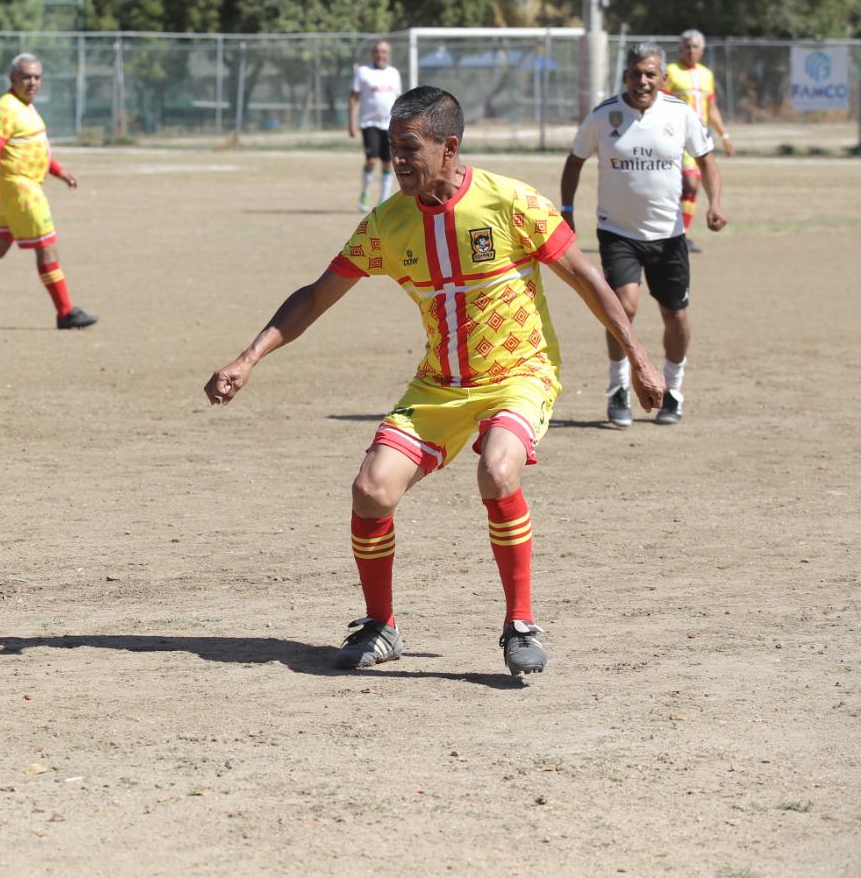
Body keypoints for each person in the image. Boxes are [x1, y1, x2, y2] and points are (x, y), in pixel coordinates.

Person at [204, 86, 663, 676]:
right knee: (371, 489)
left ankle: (520, 623)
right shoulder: (388, 225)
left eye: (409, 149)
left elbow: (589, 281)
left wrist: (640, 360)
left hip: (519, 374)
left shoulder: (512, 203)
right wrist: (248, 358)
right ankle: (380, 625)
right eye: (393, 149)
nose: (397, 161)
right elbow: (317, 295)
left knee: (498, 470)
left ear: (449, 149)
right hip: (439, 384)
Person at [561, 42, 726, 428]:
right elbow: (574, 161)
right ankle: (618, 388)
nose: (643, 81)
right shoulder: (604, 116)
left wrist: (714, 203)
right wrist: (567, 210)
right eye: (636, 73)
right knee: (623, 307)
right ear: (625, 76)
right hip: (617, 232)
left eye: (651, 74)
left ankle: (674, 389)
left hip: (669, 236)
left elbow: (706, 159)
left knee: (676, 314)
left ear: (662, 78)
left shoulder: (680, 113)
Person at [0, 53, 97, 330]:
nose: (32, 82)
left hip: (19, 189)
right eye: (26, 77)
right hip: (21, 189)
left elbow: (33, 148)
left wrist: (59, 172)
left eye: (37, 77)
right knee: (48, 249)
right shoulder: (7, 107)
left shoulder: (26, 106)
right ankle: (65, 311)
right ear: (13, 79)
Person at [660, 29, 733, 253]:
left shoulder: (706, 75)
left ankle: (681, 236)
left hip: (698, 138)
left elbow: (711, 109)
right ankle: (675, 235)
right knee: (688, 184)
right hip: (675, 137)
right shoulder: (671, 71)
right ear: (680, 49)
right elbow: (658, 100)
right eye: (686, 46)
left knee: (691, 186)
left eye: (695, 47)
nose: (690, 50)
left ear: (702, 50)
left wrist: (725, 135)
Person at [347, 39, 402, 212]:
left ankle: (384, 201)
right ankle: (364, 193)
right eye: (378, 51)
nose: (381, 54)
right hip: (369, 123)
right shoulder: (363, 72)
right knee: (371, 160)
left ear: (388, 54)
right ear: (373, 53)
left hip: (390, 125)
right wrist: (351, 122)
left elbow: (399, 100)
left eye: (384, 51)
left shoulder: (394, 73)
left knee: (388, 163)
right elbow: (354, 98)